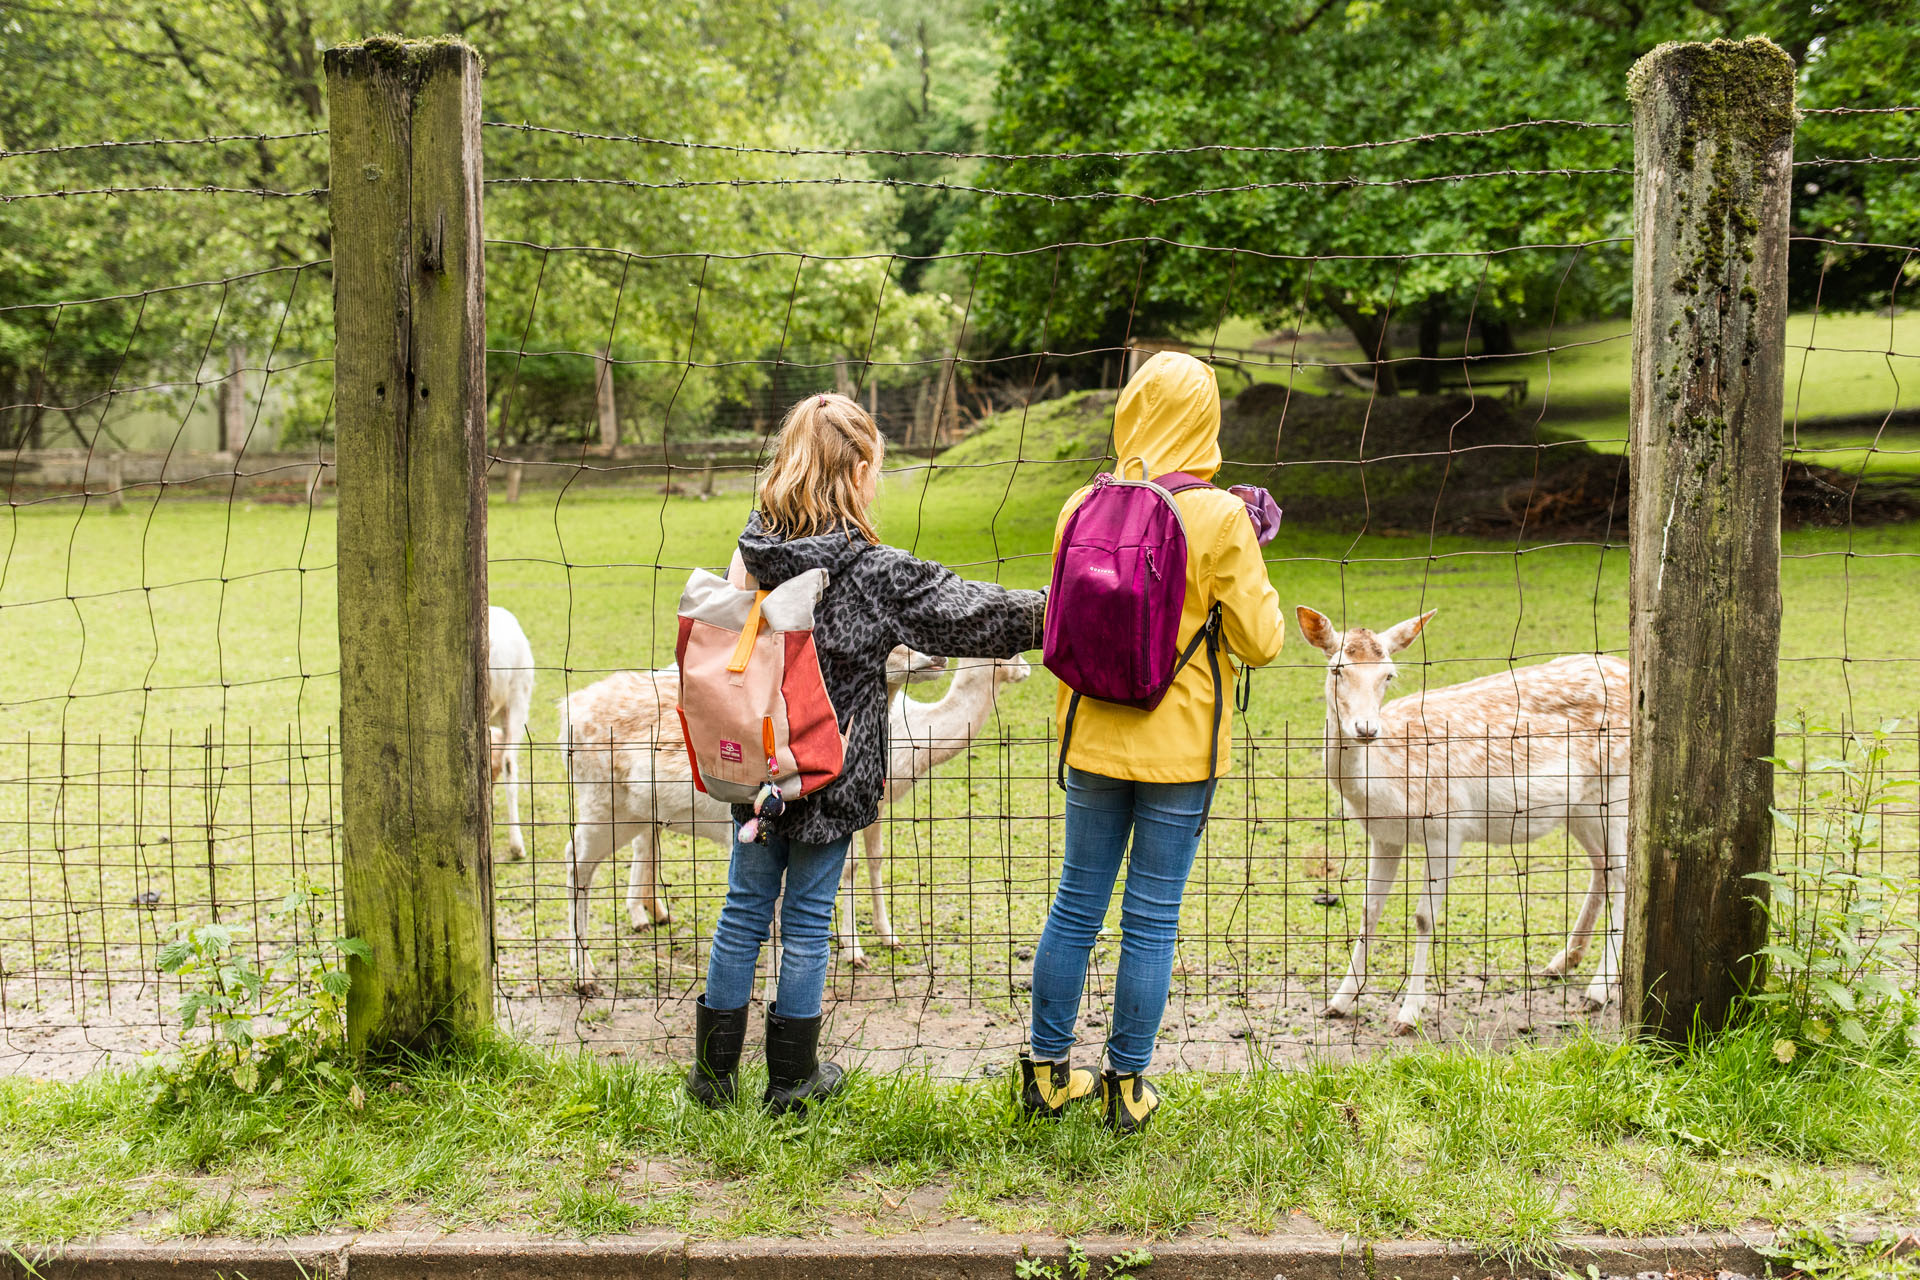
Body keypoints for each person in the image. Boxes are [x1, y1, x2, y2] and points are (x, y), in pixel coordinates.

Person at [687, 391, 1046, 1116]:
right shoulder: (877, 571)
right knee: (810, 918)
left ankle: (713, 1079)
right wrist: (1059, 604)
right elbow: (974, 612)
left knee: (744, 907)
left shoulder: (753, 546)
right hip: (831, 768)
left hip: (759, 766)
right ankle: (792, 1083)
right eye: (875, 467)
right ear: (855, 471)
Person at [1020, 351, 1284, 1132]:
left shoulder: (1079, 506)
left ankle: (1043, 1073)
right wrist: (1247, 551)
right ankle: (1125, 1086)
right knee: (1151, 918)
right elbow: (1262, 641)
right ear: (1205, 421)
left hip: (1093, 736)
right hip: (1180, 750)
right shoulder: (1221, 516)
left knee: (1074, 905)